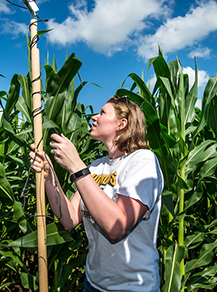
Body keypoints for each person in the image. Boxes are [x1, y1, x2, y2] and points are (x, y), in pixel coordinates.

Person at [29, 95, 164, 292]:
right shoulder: (97, 166)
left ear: (122, 123)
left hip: (133, 287)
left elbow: (116, 226)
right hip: (93, 285)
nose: (93, 117)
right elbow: (68, 218)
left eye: (102, 113)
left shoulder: (143, 161)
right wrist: (50, 178)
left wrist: (76, 166)